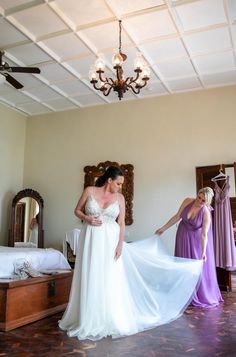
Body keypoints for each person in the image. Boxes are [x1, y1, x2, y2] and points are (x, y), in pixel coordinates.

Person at [59, 166, 203, 341]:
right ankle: (87, 316)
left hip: (111, 240)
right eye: (118, 183)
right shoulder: (90, 190)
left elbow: (121, 224)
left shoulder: (119, 198)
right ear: (109, 180)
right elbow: (77, 210)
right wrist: (87, 218)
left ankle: (107, 316)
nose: (120, 187)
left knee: (108, 276)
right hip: (91, 237)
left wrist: (120, 245)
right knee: (91, 273)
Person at [155, 187, 223, 308]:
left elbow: (204, 234)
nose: (199, 201)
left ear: (207, 202)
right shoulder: (187, 201)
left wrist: (203, 252)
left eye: (203, 200)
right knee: (181, 264)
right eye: (199, 197)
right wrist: (163, 228)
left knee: (195, 267)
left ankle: (197, 294)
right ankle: (182, 293)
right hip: (182, 236)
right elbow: (177, 216)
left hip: (196, 241)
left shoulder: (206, 212)